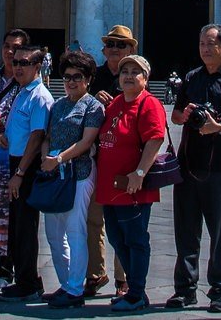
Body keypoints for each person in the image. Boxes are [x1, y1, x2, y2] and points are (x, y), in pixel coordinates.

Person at [168, 23, 221, 314]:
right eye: (202, 44)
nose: (205, 49)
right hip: (188, 163)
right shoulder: (191, 78)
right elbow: (176, 115)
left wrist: (220, 127)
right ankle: (185, 290)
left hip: (219, 166)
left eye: (211, 44)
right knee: (185, 230)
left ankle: (220, 291)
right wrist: (185, 115)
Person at [96, 52, 166, 314]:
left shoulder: (148, 104)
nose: (128, 76)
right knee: (116, 237)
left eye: (135, 72)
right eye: (124, 71)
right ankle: (136, 290)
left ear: (145, 79)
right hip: (110, 186)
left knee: (135, 239)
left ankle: (136, 292)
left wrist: (140, 172)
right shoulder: (116, 103)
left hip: (131, 186)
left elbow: (155, 139)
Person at [39, 50, 105, 309]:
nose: (71, 82)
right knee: (54, 234)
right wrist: (46, 157)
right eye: (67, 77)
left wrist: (59, 159)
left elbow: (87, 141)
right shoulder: (57, 105)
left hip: (79, 173)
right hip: (54, 176)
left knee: (75, 230)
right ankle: (66, 284)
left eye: (77, 77)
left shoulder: (93, 106)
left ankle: (76, 288)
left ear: (88, 79)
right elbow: (47, 137)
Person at [2, 45, 56, 301]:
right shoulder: (21, 92)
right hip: (14, 162)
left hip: (26, 166)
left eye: (24, 63)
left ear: (37, 67)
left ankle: (28, 283)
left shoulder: (40, 97)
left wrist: (20, 172)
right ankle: (24, 278)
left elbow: (36, 138)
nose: (18, 67)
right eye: (15, 62)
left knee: (25, 226)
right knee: (16, 225)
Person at [85, 24, 135, 299]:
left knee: (123, 222)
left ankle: (122, 278)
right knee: (94, 219)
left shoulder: (134, 78)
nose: (115, 49)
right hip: (96, 156)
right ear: (104, 49)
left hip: (124, 159)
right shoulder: (94, 76)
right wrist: (93, 99)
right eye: (111, 44)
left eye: (121, 45)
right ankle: (95, 273)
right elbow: (78, 103)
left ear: (131, 50)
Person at [0, 27, 32, 293]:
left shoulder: (29, 84)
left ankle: (5, 270)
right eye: (7, 46)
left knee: (13, 217)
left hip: (15, 158)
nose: (10, 52)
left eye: (16, 48)